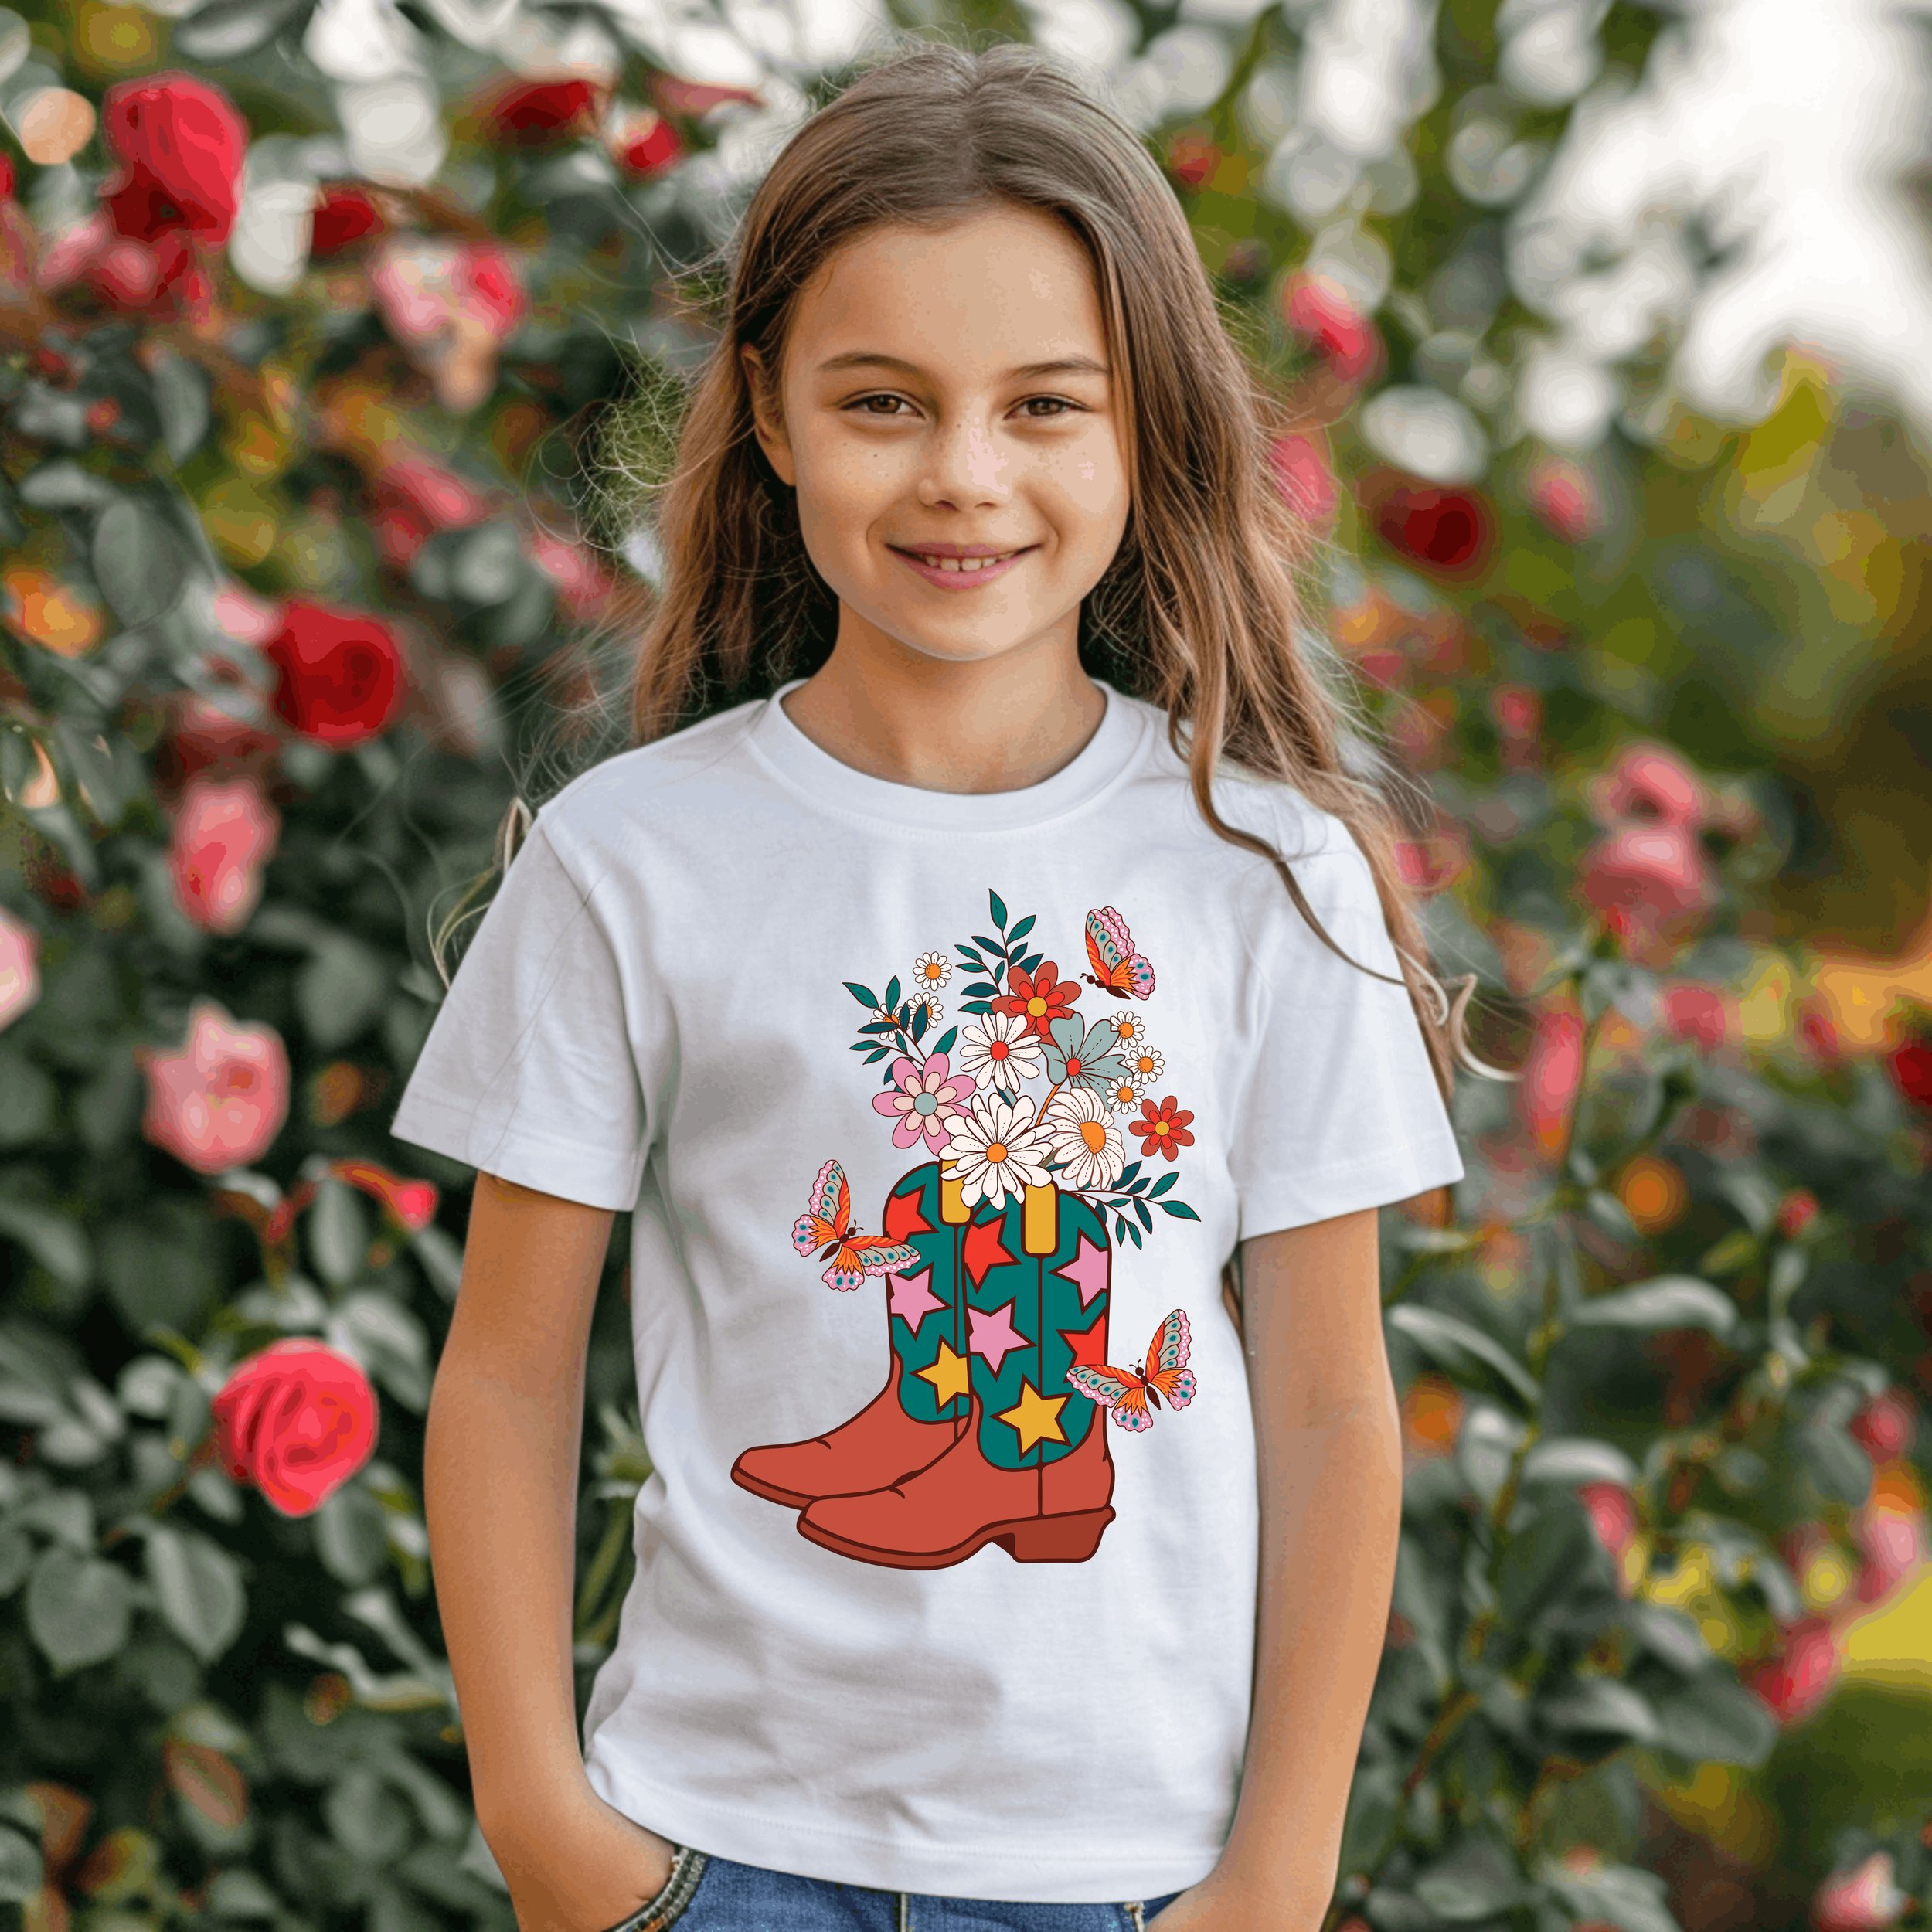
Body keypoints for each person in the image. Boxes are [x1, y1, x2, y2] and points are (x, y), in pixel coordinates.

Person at [393, 35, 1474, 1932]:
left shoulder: (1262, 871)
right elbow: (502, 1367)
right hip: (711, 1855)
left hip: (1135, 1883)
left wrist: (1277, 1875)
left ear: (1143, 428)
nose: (963, 475)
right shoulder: (628, 859)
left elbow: (1324, 1395)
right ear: (775, 410)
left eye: (1044, 405)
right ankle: (950, 1425)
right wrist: (542, 1825)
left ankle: (1008, 1452)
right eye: (884, 399)